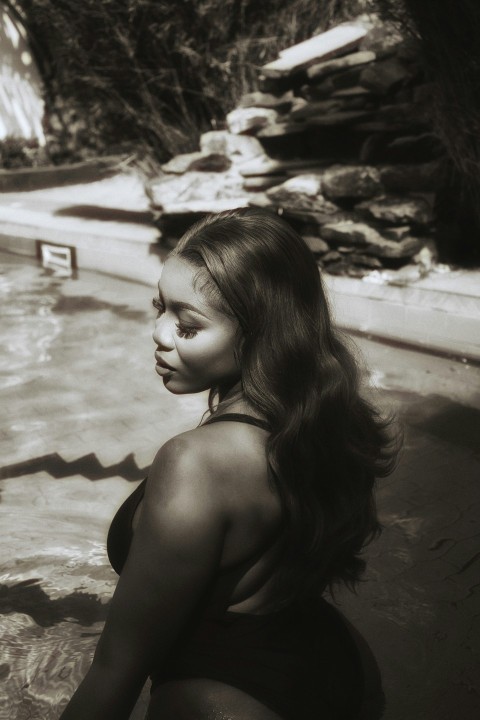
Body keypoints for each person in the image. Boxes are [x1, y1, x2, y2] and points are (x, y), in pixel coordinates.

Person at [59, 208, 398, 720]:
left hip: (221, 697)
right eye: (160, 307)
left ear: (257, 333)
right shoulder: (320, 424)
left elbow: (116, 670)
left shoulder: (196, 463)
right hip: (339, 665)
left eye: (188, 324)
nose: (159, 332)